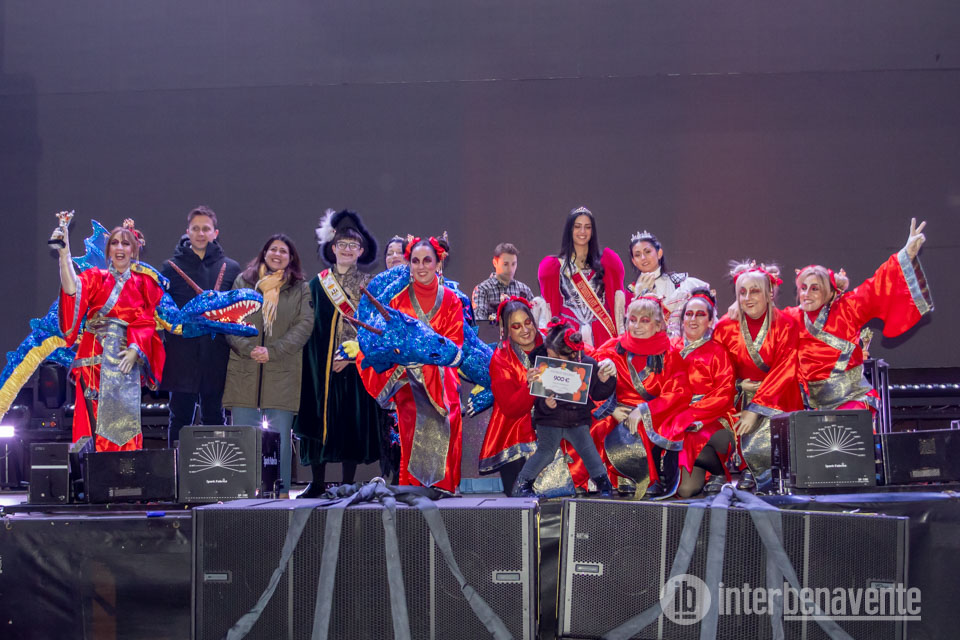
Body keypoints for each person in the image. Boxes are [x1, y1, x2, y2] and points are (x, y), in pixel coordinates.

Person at [785, 219, 932, 412]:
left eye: (814, 289)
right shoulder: (791, 317)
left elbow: (879, 283)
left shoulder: (849, 307)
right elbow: (763, 318)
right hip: (811, 405)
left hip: (851, 398)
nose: (806, 294)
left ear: (831, 292)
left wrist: (907, 254)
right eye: (803, 288)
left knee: (850, 429)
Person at [357, 237, 466, 494]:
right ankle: (412, 493)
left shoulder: (451, 299)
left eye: (427, 260)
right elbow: (386, 341)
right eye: (415, 261)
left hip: (442, 382)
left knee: (447, 419)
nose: (421, 266)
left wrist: (427, 361)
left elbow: (454, 345)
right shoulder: (396, 300)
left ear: (438, 263)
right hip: (407, 380)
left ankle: (445, 490)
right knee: (409, 430)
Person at [295, 209, 385, 498]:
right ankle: (318, 481)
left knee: (350, 424)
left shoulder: (370, 285)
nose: (347, 250)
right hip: (321, 366)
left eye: (353, 246)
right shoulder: (316, 284)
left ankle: (348, 481)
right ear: (332, 248)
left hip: (354, 365)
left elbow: (375, 325)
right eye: (342, 245)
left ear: (361, 251)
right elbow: (308, 325)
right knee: (318, 421)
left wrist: (350, 356)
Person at [56, 218, 165, 452]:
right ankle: (92, 477)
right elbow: (72, 289)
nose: (119, 248)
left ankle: (124, 477)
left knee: (125, 422)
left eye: (125, 244)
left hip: (126, 359)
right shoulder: (97, 277)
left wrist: (136, 350)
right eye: (114, 243)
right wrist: (64, 256)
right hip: (94, 359)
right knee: (91, 421)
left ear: (134, 249)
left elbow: (147, 321)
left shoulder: (145, 284)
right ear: (108, 249)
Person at [222, 234, 312, 498]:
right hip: (244, 370)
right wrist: (248, 349)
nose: (277, 254)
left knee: (281, 438)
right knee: (244, 438)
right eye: (273, 249)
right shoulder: (243, 282)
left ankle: (282, 491)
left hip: (281, 370)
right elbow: (230, 319)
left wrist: (272, 351)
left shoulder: (300, 287)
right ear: (264, 253)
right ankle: (245, 490)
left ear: (291, 258)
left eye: (284, 251)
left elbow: (304, 325)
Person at [580, 297, 691, 498]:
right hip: (616, 411)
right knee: (595, 427)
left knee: (638, 428)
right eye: (633, 320)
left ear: (658, 325)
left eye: (644, 320)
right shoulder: (612, 349)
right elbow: (588, 384)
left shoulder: (670, 354)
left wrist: (644, 411)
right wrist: (611, 409)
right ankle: (601, 480)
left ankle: (646, 478)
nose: (637, 326)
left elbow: (678, 393)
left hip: (655, 414)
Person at [713, 262, 803, 492]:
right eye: (742, 292)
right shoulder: (725, 327)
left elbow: (786, 369)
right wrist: (738, 385)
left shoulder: (787, 324)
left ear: (769, 293)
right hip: (741, 392)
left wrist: (756, 408)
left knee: (768, 416)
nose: (747, 298)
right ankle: (747, 467)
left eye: (754, 291)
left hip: (778, 393)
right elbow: (719, 370)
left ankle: (768, 469)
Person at [159, 206, 241, 447]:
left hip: (216, 356)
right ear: (188, 231)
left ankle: (215, 475)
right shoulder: (169, 268)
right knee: (180, 418)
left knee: (215, 418)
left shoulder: (231, 268)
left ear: (215, 233)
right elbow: (162, 310)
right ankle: (177, 476)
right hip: (181, 357)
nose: (201, 233)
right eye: (196, 228)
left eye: (206, 229)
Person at [511, 318, 616, 497]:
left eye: (555, 357)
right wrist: (545, 403)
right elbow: (536, 398)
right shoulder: (542, 365)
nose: (551, 359)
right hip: (548, 420)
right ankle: (523, 484)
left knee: (588, 450)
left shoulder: (587, 364)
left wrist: (605, 380)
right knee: (546, 452)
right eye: (549, 354)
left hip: (577, 421)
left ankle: (603, 483)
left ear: (571, 355)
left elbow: (597, 394)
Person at [665, 290, 736, 498]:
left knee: (692, 435)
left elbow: (724, 394)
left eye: (700, 314)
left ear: (711, 321)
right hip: (679, 423)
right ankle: (714, 469)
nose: (693, 319)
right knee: (685, 490)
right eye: (689, 314)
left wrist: (691, 416)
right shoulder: (671, 349)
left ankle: (719, 471)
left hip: (713, 420)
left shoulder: (718, 351)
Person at [478, 296, 541, 495]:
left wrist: (602, 367)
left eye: (528, 322)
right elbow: (510, 408)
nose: (525, 330)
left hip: (553, 429)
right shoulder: (501, 359)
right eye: (516, 326)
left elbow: (580, 362)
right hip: (514, 434)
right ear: (505, 331)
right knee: (519, 498)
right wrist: (530, 386)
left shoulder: (550, 343)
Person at [538, 206, 625, 348]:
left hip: (602, 331)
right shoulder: (554, 266)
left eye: (587, 227)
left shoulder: (608, 262)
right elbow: (550, 303)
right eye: (577, 227)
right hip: (568, 332)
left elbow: (616, 301)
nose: (582, 232)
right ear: (569, 230)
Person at [626, 230, 709, 335]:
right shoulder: (630, 292)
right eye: (637, 255)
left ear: (659, 253)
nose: (643, 258)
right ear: (634, 261)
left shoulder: (682, 283)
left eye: (647, 252)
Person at [472, 243, 535, 322]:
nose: (510, 269)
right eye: (505, 264)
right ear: (495, 263)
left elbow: (534, 321)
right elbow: (479, 322)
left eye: (513, 264)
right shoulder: (482, 290)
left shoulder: (524, 289)